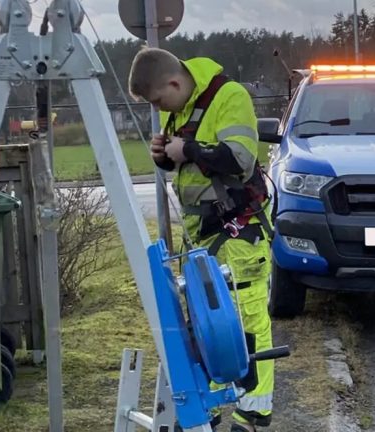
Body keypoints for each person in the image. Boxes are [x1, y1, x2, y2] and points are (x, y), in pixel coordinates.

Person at [128, 47, 275, 432]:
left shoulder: (229, 97)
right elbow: (192, 162)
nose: (159, 109)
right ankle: (207, 411)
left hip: (238, 230)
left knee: (245, 323)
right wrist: (166, 157)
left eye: (160, 100)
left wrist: (187, 148)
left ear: (175, 83)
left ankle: (251, 415)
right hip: (204, 236)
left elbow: (240, 159)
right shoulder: (181, 106)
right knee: (206, 326)